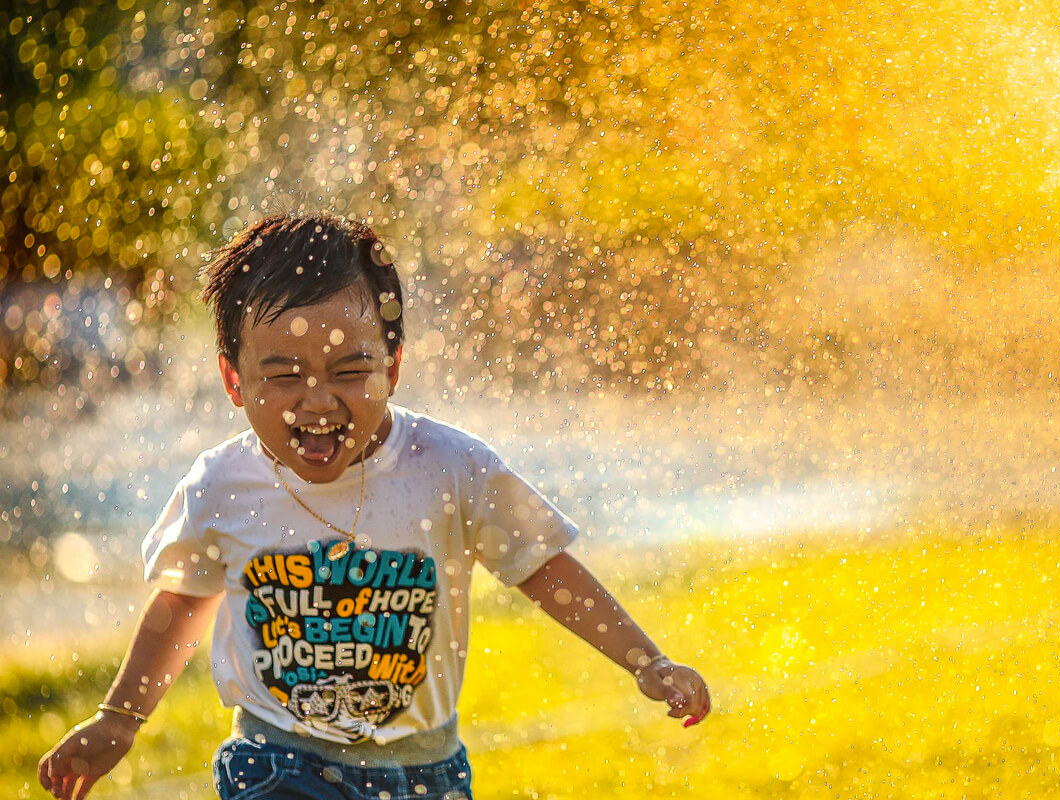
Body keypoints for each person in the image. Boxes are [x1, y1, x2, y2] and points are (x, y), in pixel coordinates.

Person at [37, 212, 711, 800]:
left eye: (349, 372)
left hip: (424, 774)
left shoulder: (450, 468)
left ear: (394, 366)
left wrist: (646, 661)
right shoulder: (223, 486)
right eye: (283, 376)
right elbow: (183, 602)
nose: (318, 401)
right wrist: (120, 717)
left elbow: (543, 565)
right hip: (277, 764)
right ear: (233, 380)